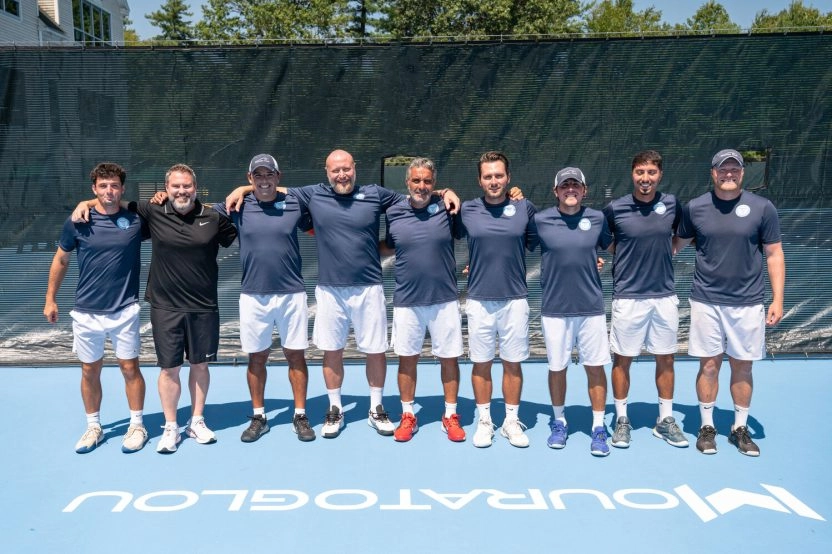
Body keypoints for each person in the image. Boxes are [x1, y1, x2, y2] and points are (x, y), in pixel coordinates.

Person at [226, 150, 459, 439]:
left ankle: (376, 408)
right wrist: (242, 188)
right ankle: (335, 408)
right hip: (329, 290)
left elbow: (417, 194)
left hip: (369, 287)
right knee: (332, 350)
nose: (342, 175)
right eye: (335, 170)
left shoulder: (376, 194)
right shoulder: (313, 194)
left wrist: (445, 192)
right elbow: (270, 186)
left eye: (346, 169)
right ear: (327, 172)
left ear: (354, 168)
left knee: (375, 350)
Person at [73, 163, 237, 454]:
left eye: (187, 186)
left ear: (195, 188)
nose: (181, 191)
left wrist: (244, 189)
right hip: (165, 307)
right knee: (169, 368)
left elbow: (239, 230)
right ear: (166, 188)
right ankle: (171, 427)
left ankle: (196, 421)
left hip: (203, 306)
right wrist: (83, 204)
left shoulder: (213, 217)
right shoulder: (153, 211)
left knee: (200, 365)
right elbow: (112, 201)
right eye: (175, 186)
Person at [675, 149, 785, 457]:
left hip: (748, 303)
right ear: (713, 173)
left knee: (742, 366)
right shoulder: (695, 207)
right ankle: (707, 427)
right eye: (723, 169)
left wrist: (778, 299)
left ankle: (739, 428)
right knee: (709, 365)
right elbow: (673, 245)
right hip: (706, 302)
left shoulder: (763, 208)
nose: (729, 174)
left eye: (734, 169)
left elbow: (774, 254)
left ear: (742, 173)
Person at [44, 163, 149, 454]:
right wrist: (50, 299)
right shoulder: (78, 221)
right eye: (103, 186)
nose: (109, 191)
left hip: (125, 310)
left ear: (122, 189)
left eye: (114, 185)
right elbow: (61, 260)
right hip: (86, 312)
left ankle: (137, 425)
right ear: (94, 189)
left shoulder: (136, 220)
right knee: (89, 370)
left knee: (130, 368)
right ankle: (94, 427)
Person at [213, 154, 315, 443]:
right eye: (257, 175)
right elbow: (196, 211)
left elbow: (322, 213)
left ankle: (300, 415)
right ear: (250, 178)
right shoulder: (236, 206)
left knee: (295, 355)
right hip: (253, 296)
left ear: (278, 177)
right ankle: (259, 416)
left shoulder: (295, 202)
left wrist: (243, 187)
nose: (264, 180)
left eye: (269, 174)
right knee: (257, 357)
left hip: (292, 295)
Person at [603, 150, 688, 449]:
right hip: (628, 297)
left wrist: (669, 250)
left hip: (664, 297)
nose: (645, 178)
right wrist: (628, 254)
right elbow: (606, 241)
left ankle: (665, 420)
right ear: (632, 174)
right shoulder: (615, 208)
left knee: (666, 358)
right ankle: (621, 419)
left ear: (660, 175)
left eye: (651, 172)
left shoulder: (672, 204)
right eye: (640, 172)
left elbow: (683, 236)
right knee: (622, 359)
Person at [379, 157, 466, 443]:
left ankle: (450, 415)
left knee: (449, 358)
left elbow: (474, 234)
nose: (422, 185)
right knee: (407, 359)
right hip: (407, 300)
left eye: (427, 181)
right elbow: (389, 245)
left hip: (444, 300)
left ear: (434, 183)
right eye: (416, 180)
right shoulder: (394, 211)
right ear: (407, 182)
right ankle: (408, 415)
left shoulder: (448, 207)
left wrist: (448, 192)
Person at [529, 167, 613, 456]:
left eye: (575, 185)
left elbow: (612, 247)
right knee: (557, 368)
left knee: (595, 367)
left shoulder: (598, 218)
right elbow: (514, 244)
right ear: (556, 191)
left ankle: (598, 427)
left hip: (591, 309)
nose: (570, 190)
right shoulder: (540, 220)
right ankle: (559, 421)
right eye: (565, 185)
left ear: (584, 190)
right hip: (555, 309)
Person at [458, 151, 536, 448]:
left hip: (515, 300)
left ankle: (510, 422)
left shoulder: (524, 208)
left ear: (508, 178)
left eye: (499, 175)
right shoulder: (467, 210)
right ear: (479, 180)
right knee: (481, 363)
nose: (494, 181)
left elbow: (546, 241)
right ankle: (485, 421)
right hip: (479, 300)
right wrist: (444, 191)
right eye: (488, 176)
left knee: (512, 363)